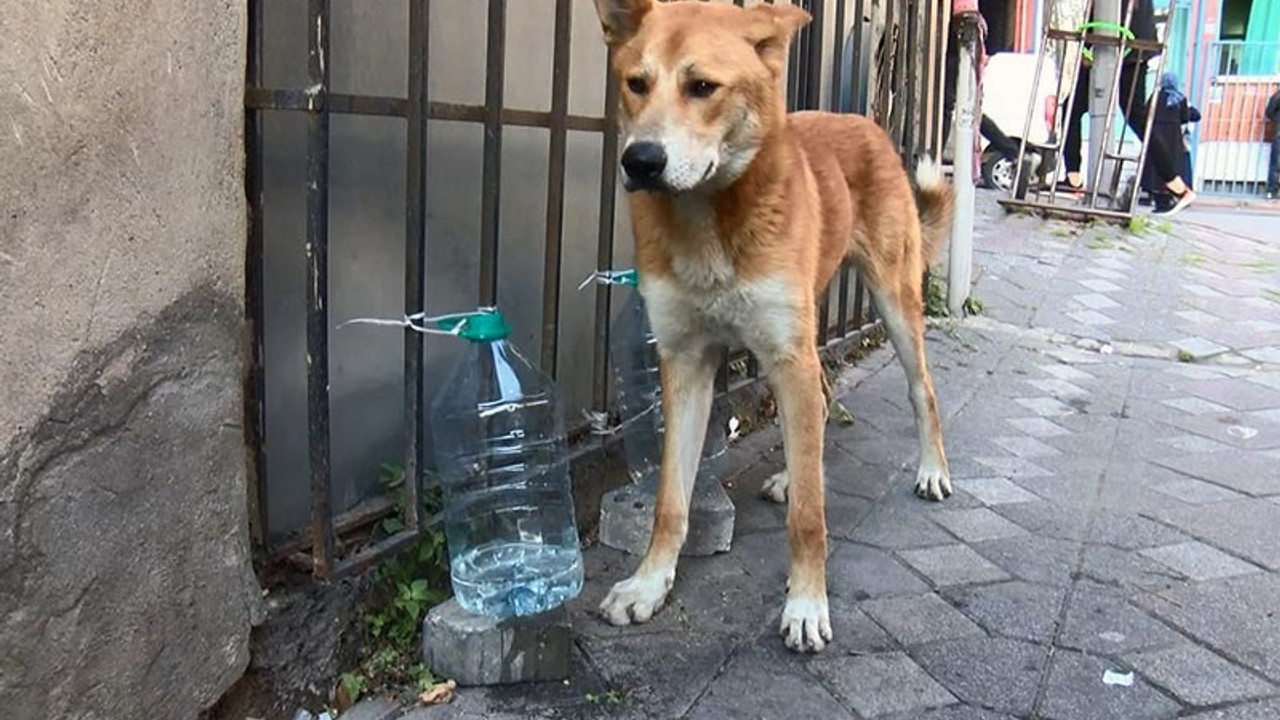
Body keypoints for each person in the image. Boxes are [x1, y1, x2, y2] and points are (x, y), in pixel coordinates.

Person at [1059, 0, 1196, 215]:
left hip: (1124, 45)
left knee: (1133, 115)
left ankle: (1176, 185)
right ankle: (1073, 179)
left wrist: (1088, 47)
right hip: (1115, 43)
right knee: (1075, 108)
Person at [1143, 72, 1200, 212]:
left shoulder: (1155, 96)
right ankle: (1168, 199)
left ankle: (1156, 200)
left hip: (1155, 135)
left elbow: (1146, 112)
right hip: (1173, 140)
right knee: (1171, 167)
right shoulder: (1180, 98)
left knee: (1155, 168)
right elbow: (1186, 117)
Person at [1266, 87, 1280, 200]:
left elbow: (1269, 112)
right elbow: (1269, 113)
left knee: (1275, 164)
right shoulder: (1277, 96)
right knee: (1275, 164)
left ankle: (1272, 191)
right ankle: (1272, 190)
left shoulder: (1277, 96)